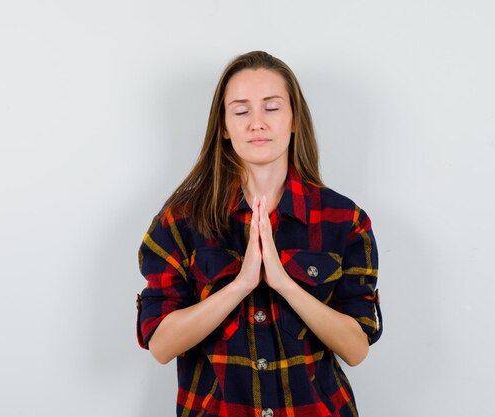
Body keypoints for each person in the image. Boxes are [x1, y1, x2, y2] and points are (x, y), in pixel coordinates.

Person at [135, 50, 382, 417]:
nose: (257, 123)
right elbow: (161, 345)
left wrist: (284, 283)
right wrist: (241, 284)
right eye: (240, 110)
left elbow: (356, 349)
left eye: (271, 107)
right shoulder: (179, 223)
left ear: (294, 119)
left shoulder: (344, 220)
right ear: (222, 126)